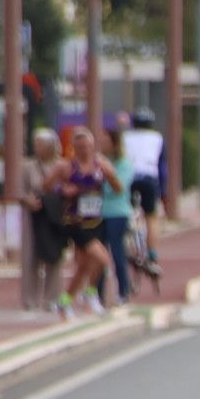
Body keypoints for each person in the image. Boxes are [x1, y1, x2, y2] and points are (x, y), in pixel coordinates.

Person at [45, 127, 122, 317]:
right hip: (75, 221)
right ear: (73, 147)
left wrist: (110, 177)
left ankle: (65, 301)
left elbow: (118, 188)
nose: (84, 150)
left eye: (87, 146)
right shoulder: (66, 167)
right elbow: (46, 186)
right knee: (103, 259)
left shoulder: (101, 164)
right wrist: (62, 189)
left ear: (93, 146)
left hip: (95, 221)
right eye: (79, 147)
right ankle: (90, 294)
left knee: (84, 266)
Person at [21, 130, 67, 311]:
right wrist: (27, 200)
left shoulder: (62, 166)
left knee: (54, 256)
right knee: (30, 256)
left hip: (54, 216)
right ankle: (29, 299)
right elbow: (21, 190)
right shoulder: (28, 167)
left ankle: (52, 298)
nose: (37, 148)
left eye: (41, 144)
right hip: (33, 215)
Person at [97, 127, 136, 306]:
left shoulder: (124, 164)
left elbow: (119, 188)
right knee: (97, 254)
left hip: (117, 213)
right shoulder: (98, 162)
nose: (102, 144)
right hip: (98, 213)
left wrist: (108, 173)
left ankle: (123, 291)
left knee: (117, 251)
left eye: (106, 140)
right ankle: (98, 294)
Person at [123, 109, 165, 265]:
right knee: (151, 216)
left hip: (129, 177)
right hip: (149, 178)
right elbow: (161, 167)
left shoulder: (125, 137)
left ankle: (127, 245)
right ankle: (152, 252)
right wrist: (163, 192)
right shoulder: (157, 138)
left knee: (126, 212)